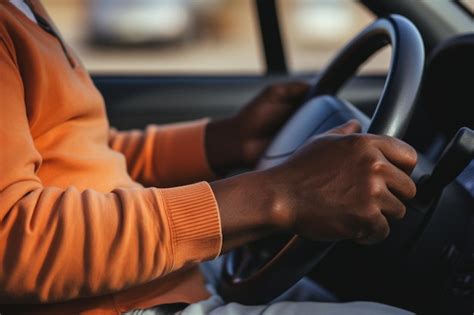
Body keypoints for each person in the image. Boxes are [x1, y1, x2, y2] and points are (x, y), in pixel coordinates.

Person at [0, 1, 418, 314]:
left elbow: (80, 155)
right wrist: (279, 193)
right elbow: (13, 242)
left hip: (160, 281)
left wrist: (227, 140)